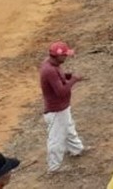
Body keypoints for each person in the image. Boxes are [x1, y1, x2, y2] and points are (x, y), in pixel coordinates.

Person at [40, 41, 85, 172]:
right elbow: (61, 92)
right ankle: (54, 167)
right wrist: (74, 80)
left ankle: (76, 149)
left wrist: (67, 76)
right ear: (57, 56)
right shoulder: (49, 70)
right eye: (64, 55)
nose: (66, 57)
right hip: (56, 110)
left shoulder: (52, 64)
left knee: (69, 129)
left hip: (61, 108)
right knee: (56, 138)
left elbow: (57, 79)